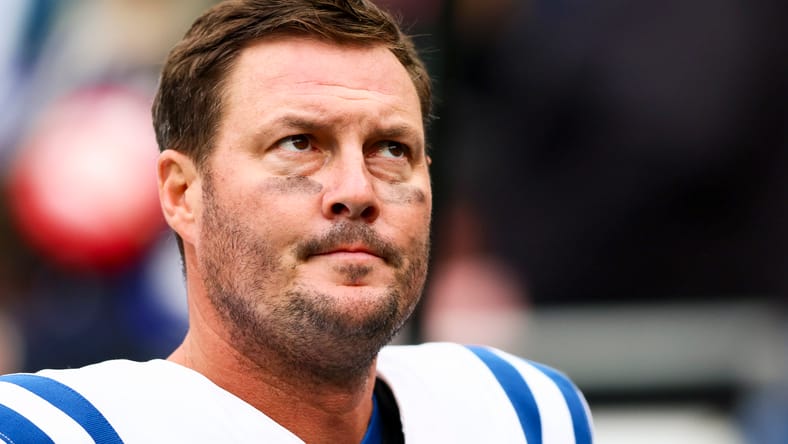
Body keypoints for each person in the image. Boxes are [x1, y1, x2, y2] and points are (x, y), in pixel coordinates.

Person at [0, 1, 593, 442]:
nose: (357, 191)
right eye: (299, 143)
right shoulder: (50, 431)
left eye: (391, 149)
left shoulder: (522, 413)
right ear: (182, 192)